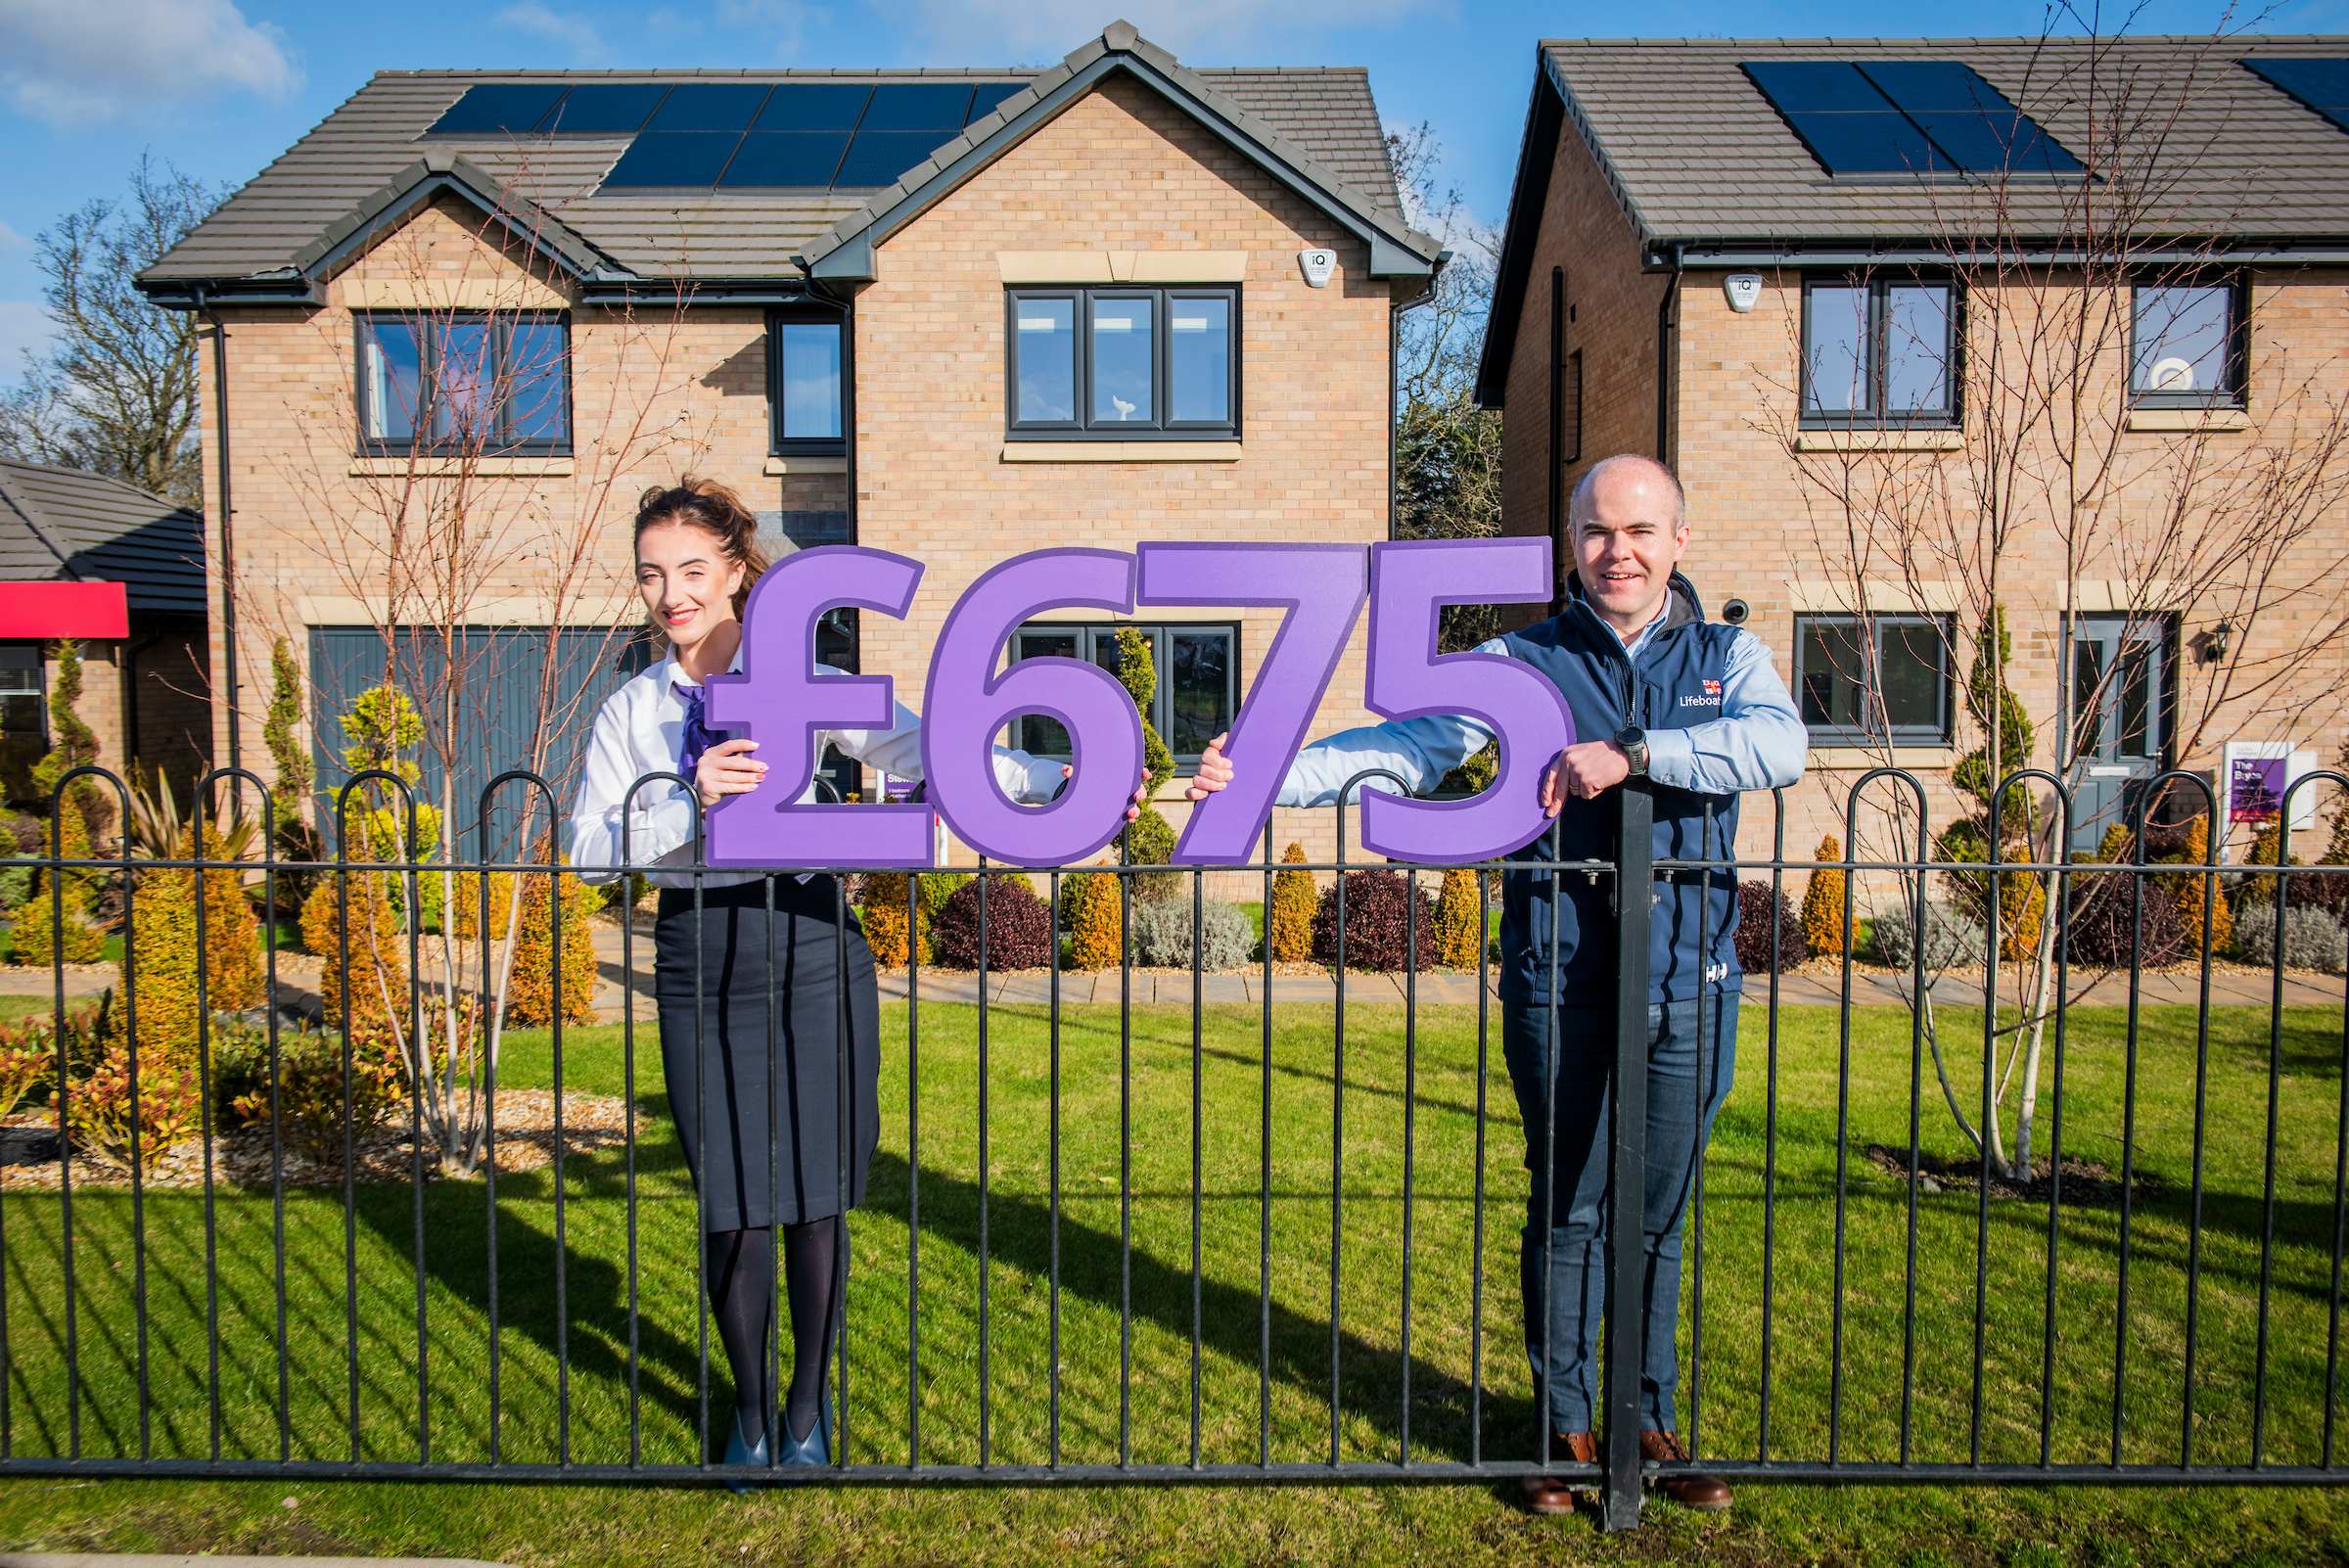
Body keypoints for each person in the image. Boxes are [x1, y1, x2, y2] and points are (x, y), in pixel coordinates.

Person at [1185, 453, 1803, 1515]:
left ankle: (1647, 1422)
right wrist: (1263, 774)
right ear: (1573, 543)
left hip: (1691, 981)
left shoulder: (1727, 655)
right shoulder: (1519, 662)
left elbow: (1778, 745)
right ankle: (1564, 1430)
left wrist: (1633, 752)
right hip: (1560, 980)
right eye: (1601, 531)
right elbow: (1409, 748)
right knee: (1567, 1207)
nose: (1621, 550)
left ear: (1678, 543)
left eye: (1642, 531)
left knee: (1657, 1215)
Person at [568, 478, 1094, 1481]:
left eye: (690, 571)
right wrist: (687, 795)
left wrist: (1058, 780)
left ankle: (807, 1408)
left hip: (814, 946)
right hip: (700, 954)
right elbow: (590, 855)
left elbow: (924, 746)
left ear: (733, 572)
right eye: (651, 576)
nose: (670, 594)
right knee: (733, 1199)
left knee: (812, 1194)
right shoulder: (632, 712)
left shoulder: (800, 678)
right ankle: (752, 1414)